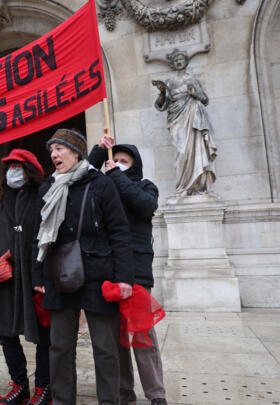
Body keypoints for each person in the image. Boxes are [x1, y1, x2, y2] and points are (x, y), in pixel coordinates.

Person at [34, 129, 134, 405]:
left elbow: (119, 231)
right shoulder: (48, 188)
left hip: (98, 276)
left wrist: (124, 276)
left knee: (105, 347)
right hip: (59, 276)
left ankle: (109, 401)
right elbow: (39, 235)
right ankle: (63, 400)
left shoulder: (101, 184)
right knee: (60, 347)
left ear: (76, 151)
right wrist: (38, 276)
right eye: (51, 150)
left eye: (59, 149)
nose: (53, 154)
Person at [88, 135, 167, 405]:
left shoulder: (146, 186)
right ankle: (124, 391)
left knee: (143, 334)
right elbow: (83, 173)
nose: (118, 164)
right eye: (115, 161)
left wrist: (117, 177)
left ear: (133, 165)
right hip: (109, 269)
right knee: (116, 336)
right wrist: (99, 152)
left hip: (137, 271)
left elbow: (144, 206)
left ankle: (156, 393)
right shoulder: (103, 188)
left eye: (124, 161)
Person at [0, 149, 51, 405]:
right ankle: (20, 384)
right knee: (6, 334)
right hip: (4, 279)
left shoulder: (41, 196)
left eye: (17, 167)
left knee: (44, 335)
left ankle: (44, 387)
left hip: (34, 278)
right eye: (9, 167)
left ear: (29, 171)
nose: (12, 172)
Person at [152, 52, 217, 196]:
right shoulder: (169, 81)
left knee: (195, 149)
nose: (179, 61)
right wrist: (162, 92)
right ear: (173, 63)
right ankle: (183, 186)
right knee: (181, 152)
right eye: (176, 60)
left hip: (192, 115)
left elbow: (205, 100)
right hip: (176, 118)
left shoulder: (192, 80)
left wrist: (195, 95)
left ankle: (197, 186)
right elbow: (160, 105)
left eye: (181, 59)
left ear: (186, 62)